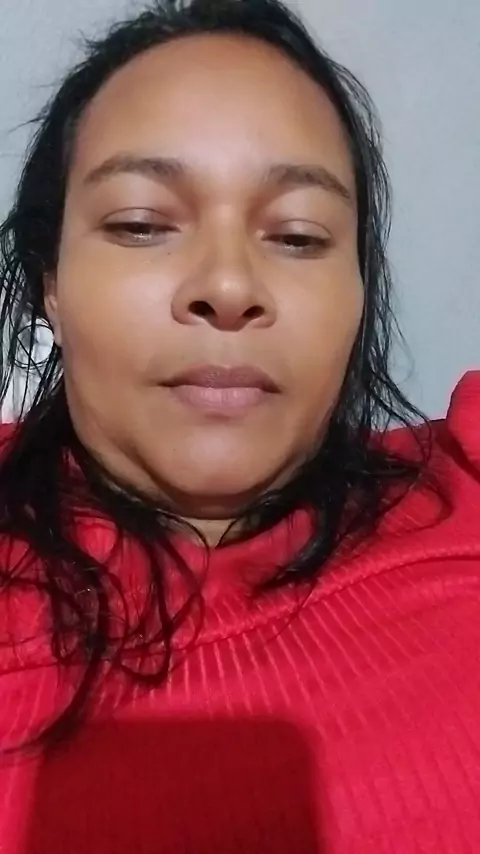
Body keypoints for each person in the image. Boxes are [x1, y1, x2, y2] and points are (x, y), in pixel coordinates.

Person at [0, 0, 479, 851]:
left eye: (297, 237)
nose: (227, 285)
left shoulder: (463, 482)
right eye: (141, 224)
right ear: (53, 287)